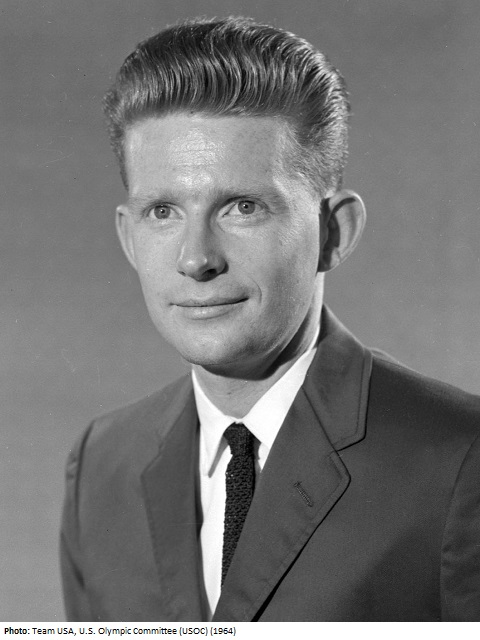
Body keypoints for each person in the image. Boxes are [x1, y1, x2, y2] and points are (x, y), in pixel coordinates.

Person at [60, 16, 480, 622]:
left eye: (243, 207)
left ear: (334, 233)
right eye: (163, 211)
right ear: (128, 238)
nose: (196, 259)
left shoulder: (458, 461)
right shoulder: (101, 466)